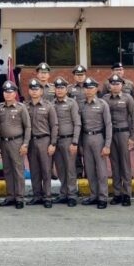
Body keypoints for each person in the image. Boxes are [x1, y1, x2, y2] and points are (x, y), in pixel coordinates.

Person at [102, 74, 134, 207]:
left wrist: (133, 137)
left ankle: (127, 194)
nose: (115, 86)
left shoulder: (128, 98)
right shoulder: (105, 99)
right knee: (114, 164)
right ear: (109, 85)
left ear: (122, 85)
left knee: (125, 165)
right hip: (110, 135)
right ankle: (117, 193)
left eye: (118, 84)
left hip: (124, 134)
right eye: (113, 84)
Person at [0, 81, 31, 209]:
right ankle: (10, 196)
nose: (8, 94)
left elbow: (28, 127)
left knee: (18, 170)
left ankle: (19, 197)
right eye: (5, 92)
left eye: (10, 92)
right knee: (7, 170)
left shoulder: (21, 108)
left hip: (17, 142)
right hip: (3, 142)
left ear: (15, 93)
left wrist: (25, 144)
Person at [80, 78, 113, 209]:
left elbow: (108, 125)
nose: (89, 90)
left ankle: (103, 197)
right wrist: (80, 144)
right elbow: (79, 125)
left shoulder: (102, 104)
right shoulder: (81, 105)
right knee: (89, 169)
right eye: (86, 88)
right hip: (86, 138)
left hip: (99, 138)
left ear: (96, 89)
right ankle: (94, 195)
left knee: (101, 170)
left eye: (91, 88)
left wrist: (107, 145)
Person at [26, 79, 58, 208]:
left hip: (45, 140)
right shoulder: (25, 106)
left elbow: (54, 126)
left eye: (37, 89)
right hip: (31, 141)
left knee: (46, 170)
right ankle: (37, 196)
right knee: (34, 170)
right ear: (29, 91)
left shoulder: (48, 106)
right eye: (32, 89)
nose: (34, 92)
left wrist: (53, 143)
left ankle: (47, 196)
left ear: (41, 91)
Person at [50, 78, 80, 206]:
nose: (59, 90)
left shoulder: (72, 103)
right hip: (56, 141)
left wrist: (75, 142)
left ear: (66, 89)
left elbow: (77, 123)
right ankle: (63, 193)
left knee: (70, 169)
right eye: (57, 88)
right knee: (61, 168)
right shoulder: (52, 104)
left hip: (69, 140)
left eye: (62, 88)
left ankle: (72, 195)